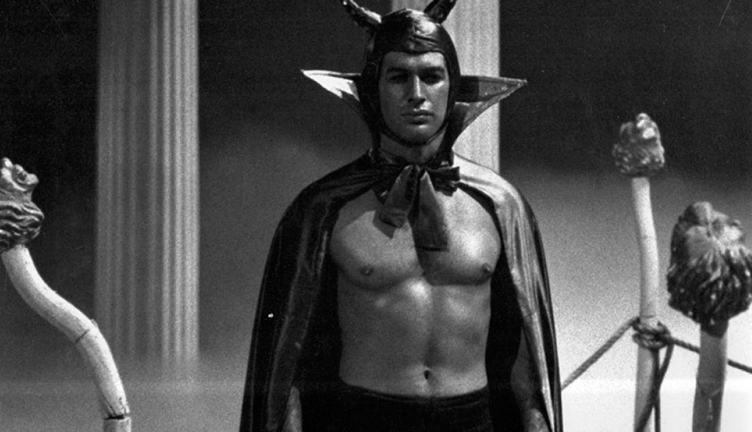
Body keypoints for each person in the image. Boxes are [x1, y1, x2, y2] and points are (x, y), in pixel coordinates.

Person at [240, 1, 562, 431]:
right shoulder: (324, 208)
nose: (416, 94)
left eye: (431, 76)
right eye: (398, 77)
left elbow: (526, 354)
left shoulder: (501, 205)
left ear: (453, 85)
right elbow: (290, 366)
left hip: (472, 420)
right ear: (373, 90)